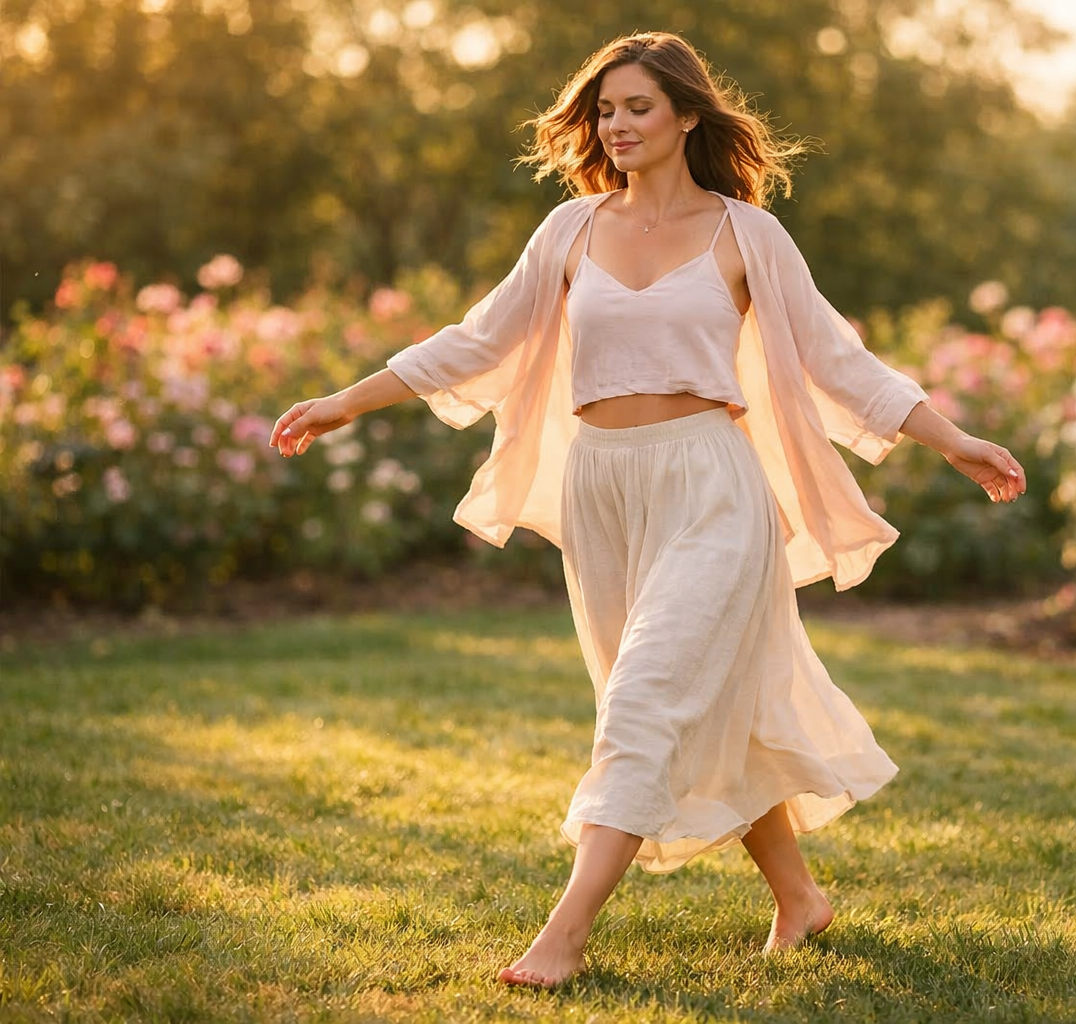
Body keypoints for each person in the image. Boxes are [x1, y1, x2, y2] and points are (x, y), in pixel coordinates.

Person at [268, 30, 1025, 990]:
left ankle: (564, 936)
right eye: (604, 110)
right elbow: (477, 341)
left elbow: (838, 360)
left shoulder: (747, 234)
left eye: (637, 108)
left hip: (712, 485)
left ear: (687, 116)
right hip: (604, 490)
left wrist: (951, 438)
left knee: (646, 699)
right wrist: (345, 400)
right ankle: (800, 899)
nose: (616, 126)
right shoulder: (571, 231)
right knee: (700, 701)